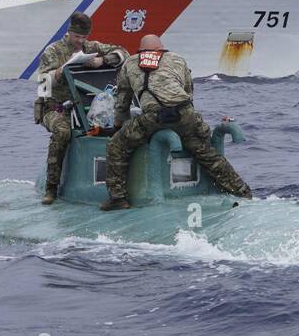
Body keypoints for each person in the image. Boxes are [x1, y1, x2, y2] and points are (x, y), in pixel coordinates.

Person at [100, 34, 251, 210]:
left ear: (140, 51)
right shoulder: (177, 59)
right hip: (184, 113)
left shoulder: (131, 63)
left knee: (116, 146)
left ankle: (118, 199)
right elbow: (188, 91)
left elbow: (122, 102)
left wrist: (119, 127)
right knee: (206, 153)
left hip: (153, 117)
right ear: (161, 49)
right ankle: (242, 191)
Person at [33, 12, 128, 204]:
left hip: (85, 107)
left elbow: (123, 52)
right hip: (55, 108)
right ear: (69, 32)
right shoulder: (53, 51)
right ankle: (51, 187)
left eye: (84, 37)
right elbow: (42, 86)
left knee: (118, 126)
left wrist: (103, 60)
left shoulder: (91, 47)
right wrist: (57, 73)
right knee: (62, 132)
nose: (80, 41)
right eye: (77, 37)